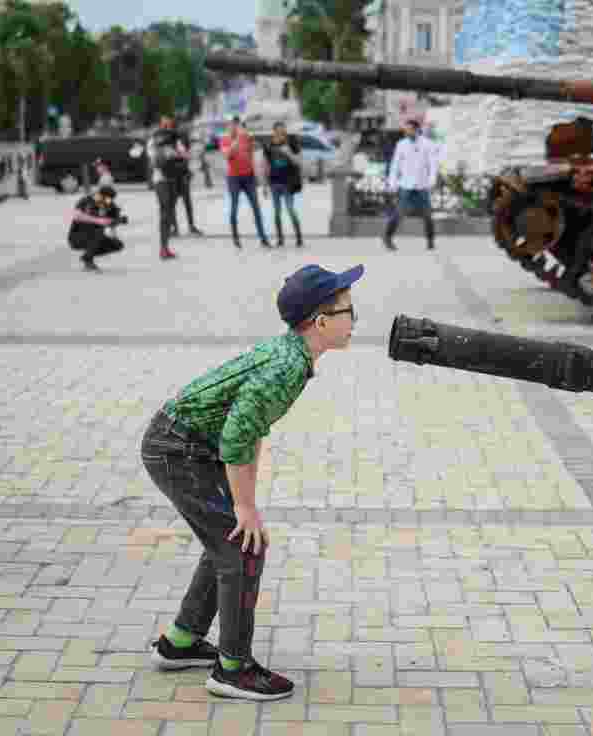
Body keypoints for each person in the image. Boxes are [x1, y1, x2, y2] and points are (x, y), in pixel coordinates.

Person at [142, 262, 364, 700]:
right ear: (321, 322)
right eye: (349, 311)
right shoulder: (285, 366)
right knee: (243, 546)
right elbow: (238, 435)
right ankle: (233, 669)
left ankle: (181, 642)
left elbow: (250, 427)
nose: (355, 320)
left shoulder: (292, 356)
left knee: (232, 539)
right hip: (175, 449)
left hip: (190, 447)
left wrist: (243, 502)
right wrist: (245, 507)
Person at [382, 119, 438, 251]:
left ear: (416, 129)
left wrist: (432, 180)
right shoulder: (401, 144)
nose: (406, 131)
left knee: (427, 215)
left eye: (409, 129)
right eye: (405, 129)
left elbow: (433, 164)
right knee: (398, 213)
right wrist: (392, 183)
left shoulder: (428, 144)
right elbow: (395, 165)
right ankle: (387, 237)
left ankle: (430, 241)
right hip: (406, 185)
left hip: (422, 185)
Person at [220, 116, 271, 249]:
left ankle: (263, 238)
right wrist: (237, 139)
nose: (236, 127)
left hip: (249, 177)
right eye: (233, 125)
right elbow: (227, 155)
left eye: (238, 125)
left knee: (256, 208)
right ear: (229, 126)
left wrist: (262, 181)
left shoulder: (247, 137)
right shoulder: (225, 139)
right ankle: (235, 237)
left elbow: (258, 155)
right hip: (234, 178)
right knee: (234, 208)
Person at [148, 115, 190, 260]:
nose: (167, 127)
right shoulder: (153, 140)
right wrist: (165, 155)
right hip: (161, 180)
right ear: (160, 125)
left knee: (169, 212)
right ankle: (163, 249)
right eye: (164, 124)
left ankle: (165, 247)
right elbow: (154, 161)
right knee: (165, 212)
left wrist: (176, 154)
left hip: (173, 178)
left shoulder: (175, 140)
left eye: (169, 124)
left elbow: (185, 155)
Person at [261, 122, 303, 248]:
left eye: (282, 132)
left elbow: (299, 162)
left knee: (290, 210)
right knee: (277, 212)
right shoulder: (268, 145)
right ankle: (280, 239)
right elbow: (266, 165)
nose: (280, 134)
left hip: (288, 182)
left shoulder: (291, 143)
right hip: (274, 182)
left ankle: (299, 237)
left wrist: (289, 153)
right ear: (274, 132)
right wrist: (264, 185)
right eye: (278, 131)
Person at [68, 184, 125, 272]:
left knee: (117, 244)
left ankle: (87, 256)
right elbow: (77, 215)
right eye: (106, 198)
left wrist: (115, 223)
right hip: (77, 236)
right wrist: (98, 220)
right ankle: (88, 261)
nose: (108, 201)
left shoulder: (109, 204)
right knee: (97, 231)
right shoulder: (87, 201)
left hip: (96, 236)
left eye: (110, 199)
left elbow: (112, 222)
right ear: (99, 195)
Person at [170, 125, 204, 238]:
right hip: (176, 176)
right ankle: (176, 228)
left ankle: (189, 226)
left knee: (186, 202)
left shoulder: (183, 144)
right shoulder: (174, 144)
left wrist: (190, 171)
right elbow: (185, 157)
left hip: (183, 175)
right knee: (175, 203)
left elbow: (190, 158)